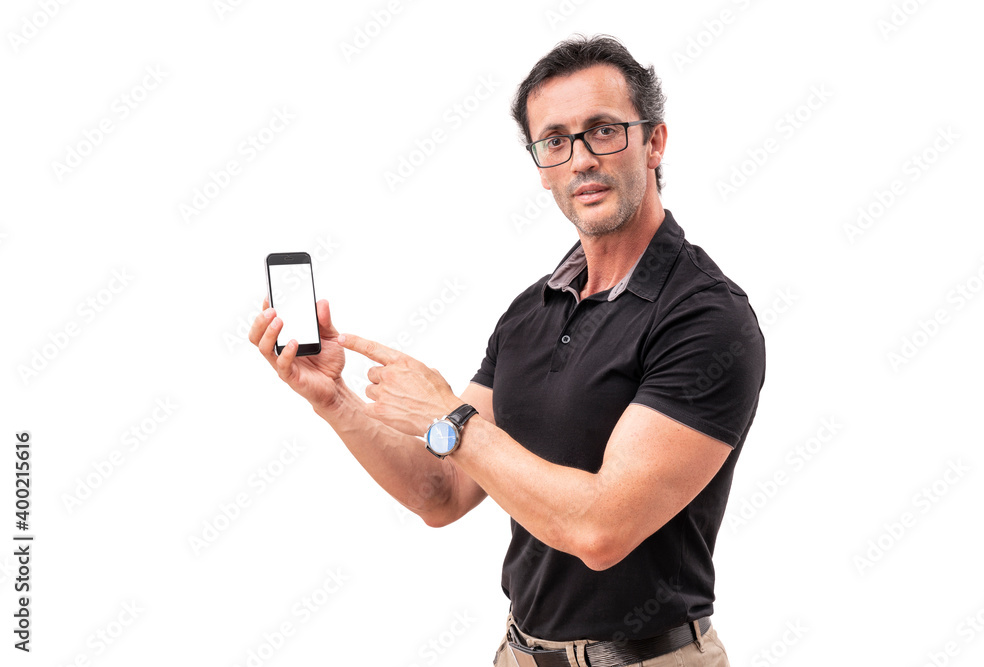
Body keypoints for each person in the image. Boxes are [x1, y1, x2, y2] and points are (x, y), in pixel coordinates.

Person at [249, 34, 764, 667]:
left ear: (654, 141)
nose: (581, 159)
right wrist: (335, 401)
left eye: (604, 130)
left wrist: (451, 419)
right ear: (541, 165)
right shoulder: (531, 312)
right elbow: (441, 491)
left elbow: (600, 530)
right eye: (555, 140)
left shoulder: (706, 317)